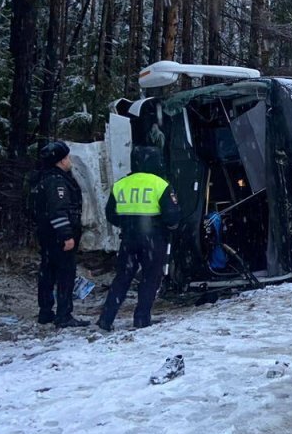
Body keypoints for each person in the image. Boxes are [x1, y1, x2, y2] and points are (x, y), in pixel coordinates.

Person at [97, 146, 181, 331]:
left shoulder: (121, 184)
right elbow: (172, 216)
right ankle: (142, 318)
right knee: (150, 278)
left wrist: (127, 225)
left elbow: (110, 214)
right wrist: (168, 228)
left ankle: (106, 319)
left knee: (122, 278)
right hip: (154, 239)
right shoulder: (161, 184)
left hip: (128, 238)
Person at [32, 141, 89, 328]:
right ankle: (63, 315)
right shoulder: (58, 182)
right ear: (61, 160)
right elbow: (58, 210)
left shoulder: (41, 178)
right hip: (58, 235)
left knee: (47, 272)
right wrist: (66, 235)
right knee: (65, 274)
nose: (69, 160)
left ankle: (45, 312)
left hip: (46, 234)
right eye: (67, 157)